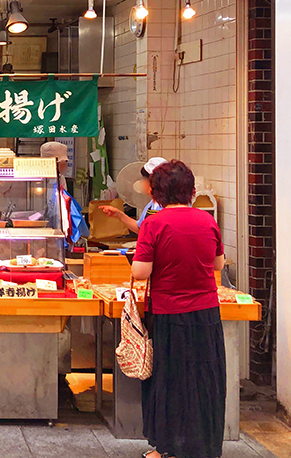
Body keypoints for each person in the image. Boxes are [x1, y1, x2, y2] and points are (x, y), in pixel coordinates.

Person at [132, 160, 225, 458]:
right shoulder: (207, 221)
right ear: (190, 190)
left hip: (169, 313)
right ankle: (204, 448)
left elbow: (140, 272)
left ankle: (167, 449)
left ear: (156, 192)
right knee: (204, 380)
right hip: (207, 313)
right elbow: (218, 264)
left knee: (170, 381)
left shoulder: (154, 224)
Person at [99, 156, 167, 233]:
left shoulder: (167, 206)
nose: (141, 182)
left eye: (144, 178)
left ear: (153, 182)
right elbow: (141, 229)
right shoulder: (151, 204)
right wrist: (119, 215)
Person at [40, 141, 88, 244]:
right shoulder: (37, 179)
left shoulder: (60, 178)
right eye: (64, 162)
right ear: (54, 163)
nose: (66, 165)